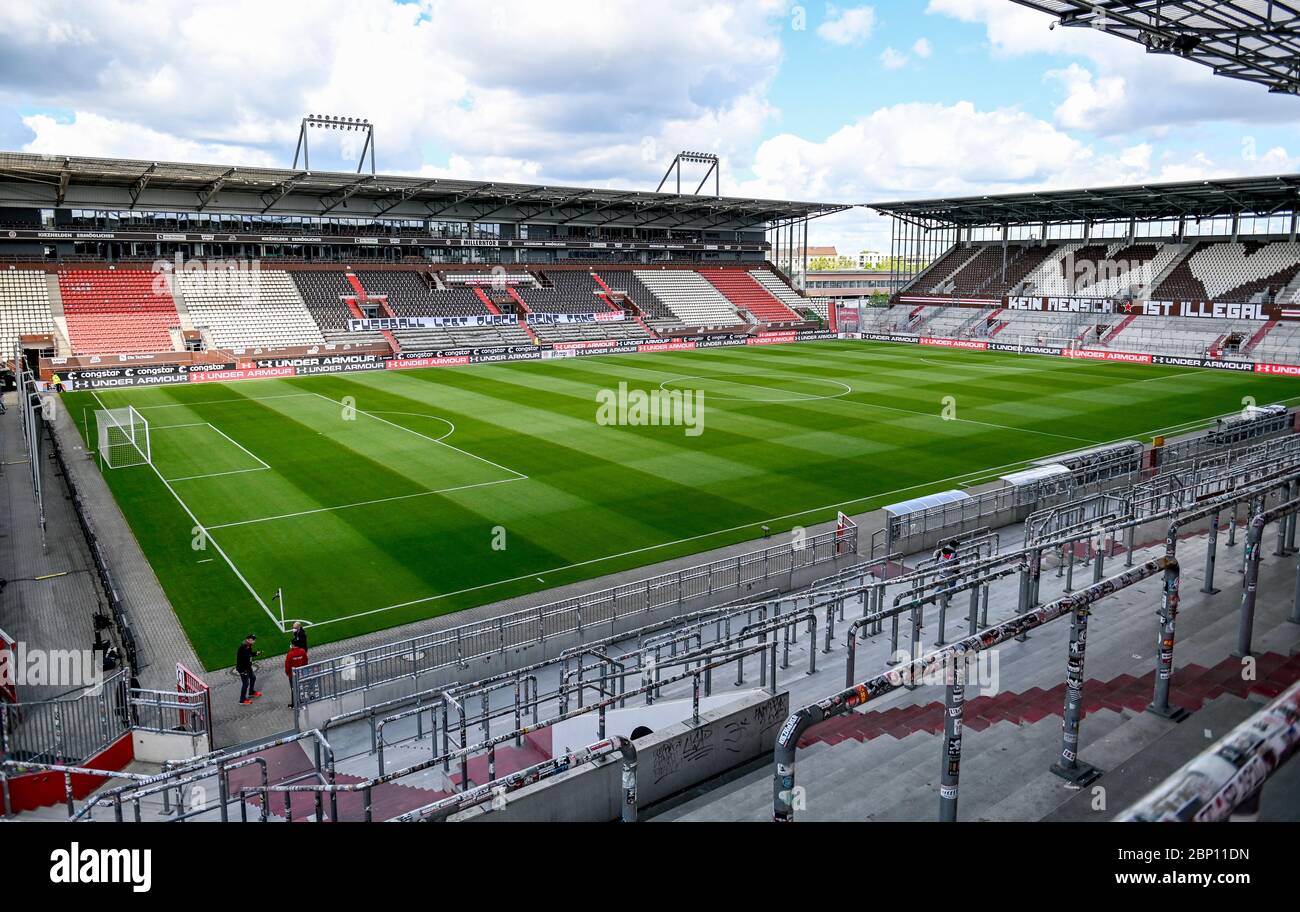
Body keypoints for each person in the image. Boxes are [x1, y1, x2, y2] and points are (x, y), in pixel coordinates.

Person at [236, 634, 262, 705]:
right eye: (253, 640)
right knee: (245, 683)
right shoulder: (243, 647)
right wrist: (244, 670)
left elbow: (250, 654)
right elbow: (243, 659)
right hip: (243, 668)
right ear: (248, 639)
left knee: (253, 678)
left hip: (248, 667)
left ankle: (251, 692)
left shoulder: (248, 645)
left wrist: (256, 653)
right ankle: (242, 699)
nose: (254, 641)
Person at [284, 643, 309, 708]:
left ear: (293, 645)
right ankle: (300, 701)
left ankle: (294, 704)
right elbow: (306, 661)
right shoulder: (302, 651)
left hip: (292, 675)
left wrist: (287, 672)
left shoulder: (290, 654)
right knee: (300, 687)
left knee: (293, 689)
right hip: (300, 672)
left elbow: (287, 665)